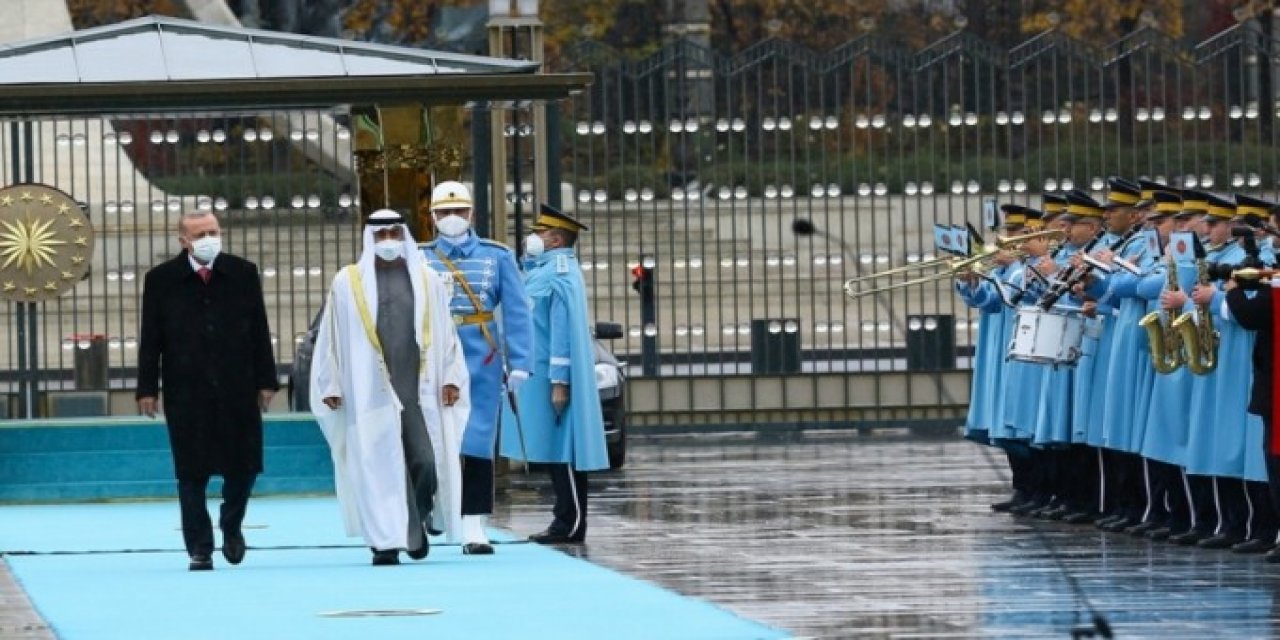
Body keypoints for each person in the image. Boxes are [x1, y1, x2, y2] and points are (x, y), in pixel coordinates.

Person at [309, 209, 470, 566]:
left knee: (425, 463)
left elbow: (448, 337)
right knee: (378, 465)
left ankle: (420, 514)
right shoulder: (347, 283)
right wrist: (331, 383)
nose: (387, 242)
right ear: (369, 239)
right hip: (368, 391)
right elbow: (331, 340)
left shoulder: (428, 281)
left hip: (417, 390)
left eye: (394, 234)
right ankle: (388, 542)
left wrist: (451, 378)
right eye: (380, 236)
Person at [136, 209, 279, 572]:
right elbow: (150, 339)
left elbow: (259, 329)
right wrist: (146, 388)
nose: (209, 239)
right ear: (183, 240)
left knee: (243, 467)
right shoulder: (161, 280)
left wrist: (266, 380)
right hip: (187, 390)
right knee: (191, 472)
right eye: (200, 234)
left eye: (213, 231)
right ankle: (199, 547)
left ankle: (231, 523)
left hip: (237, 384)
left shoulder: (242, 273)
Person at [421, 181, 533, 556]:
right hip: (434, 356)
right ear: (432, 216)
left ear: (471, 214)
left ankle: (474, 522)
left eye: (459, 212)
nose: (451, 219)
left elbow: (517, 312)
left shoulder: (496, 256)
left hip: (480, 355)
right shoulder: (420, 257)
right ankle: (437, 507)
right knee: (435, 437)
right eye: (443, 213)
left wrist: (520, 362)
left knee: (478, 439)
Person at [501, 204, 610, 544]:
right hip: (540, 374)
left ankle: (571, 521)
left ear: (556, 239)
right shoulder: (541, 270)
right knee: (551, 449)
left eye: (540, 233)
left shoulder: (559, 273)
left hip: (553, 376)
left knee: (564, 451)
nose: (532, 238)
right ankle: (563, 518)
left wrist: (560, 381)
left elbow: (561, 331)